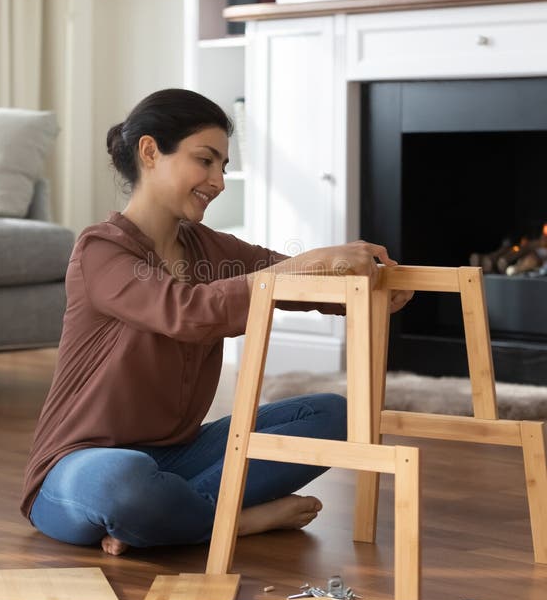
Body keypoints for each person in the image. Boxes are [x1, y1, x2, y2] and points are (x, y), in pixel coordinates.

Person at [21, 88, 413, 556]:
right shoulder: (102, 251)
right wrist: (308, 263)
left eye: (223, 166)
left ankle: (173, 518)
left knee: (335, 414)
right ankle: (235, 522)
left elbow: (291, 281)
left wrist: (367, 291)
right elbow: (188, 313)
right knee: (125, 485)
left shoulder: (210, 249)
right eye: (205, 161)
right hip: (80, 466)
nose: (219, 181)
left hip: (181, 457)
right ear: (150, 152)